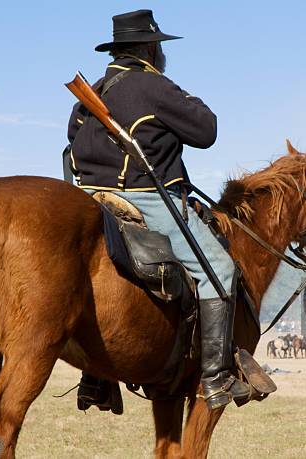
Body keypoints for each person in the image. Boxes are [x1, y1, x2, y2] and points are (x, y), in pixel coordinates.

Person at [67, 9, 252, 410]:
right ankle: (217, 378)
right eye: (160, 48)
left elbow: (72, 140)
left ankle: (95, 378)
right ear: (151, 48)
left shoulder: (94, 90)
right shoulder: (154, 85)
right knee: (219, 271)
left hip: (91, 198)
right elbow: (207, 130)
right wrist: (180, 93)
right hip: (144, 197)